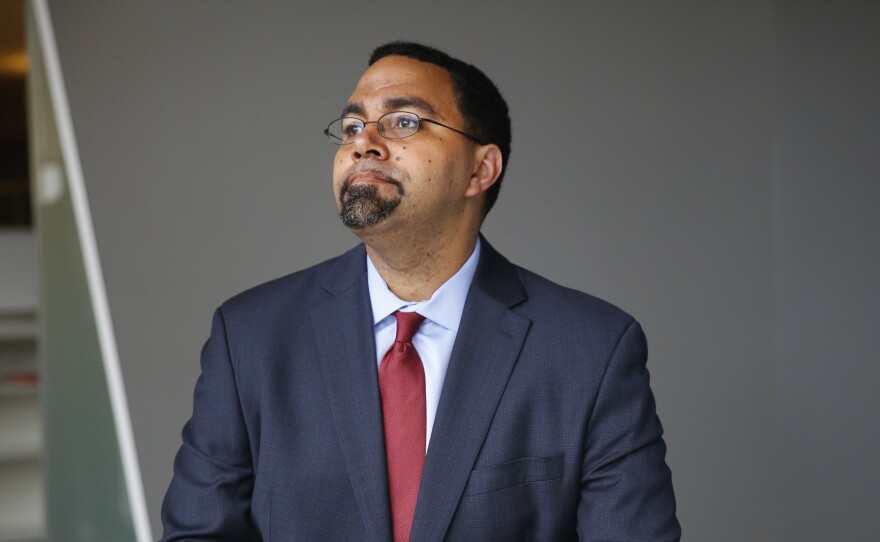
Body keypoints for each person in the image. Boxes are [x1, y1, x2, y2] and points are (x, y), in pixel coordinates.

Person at [160, 41, 680, 542]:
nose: (364, 141)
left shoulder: (593, 350)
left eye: (404, 121)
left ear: (481, 169)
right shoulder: (249, 336)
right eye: (352, 126)